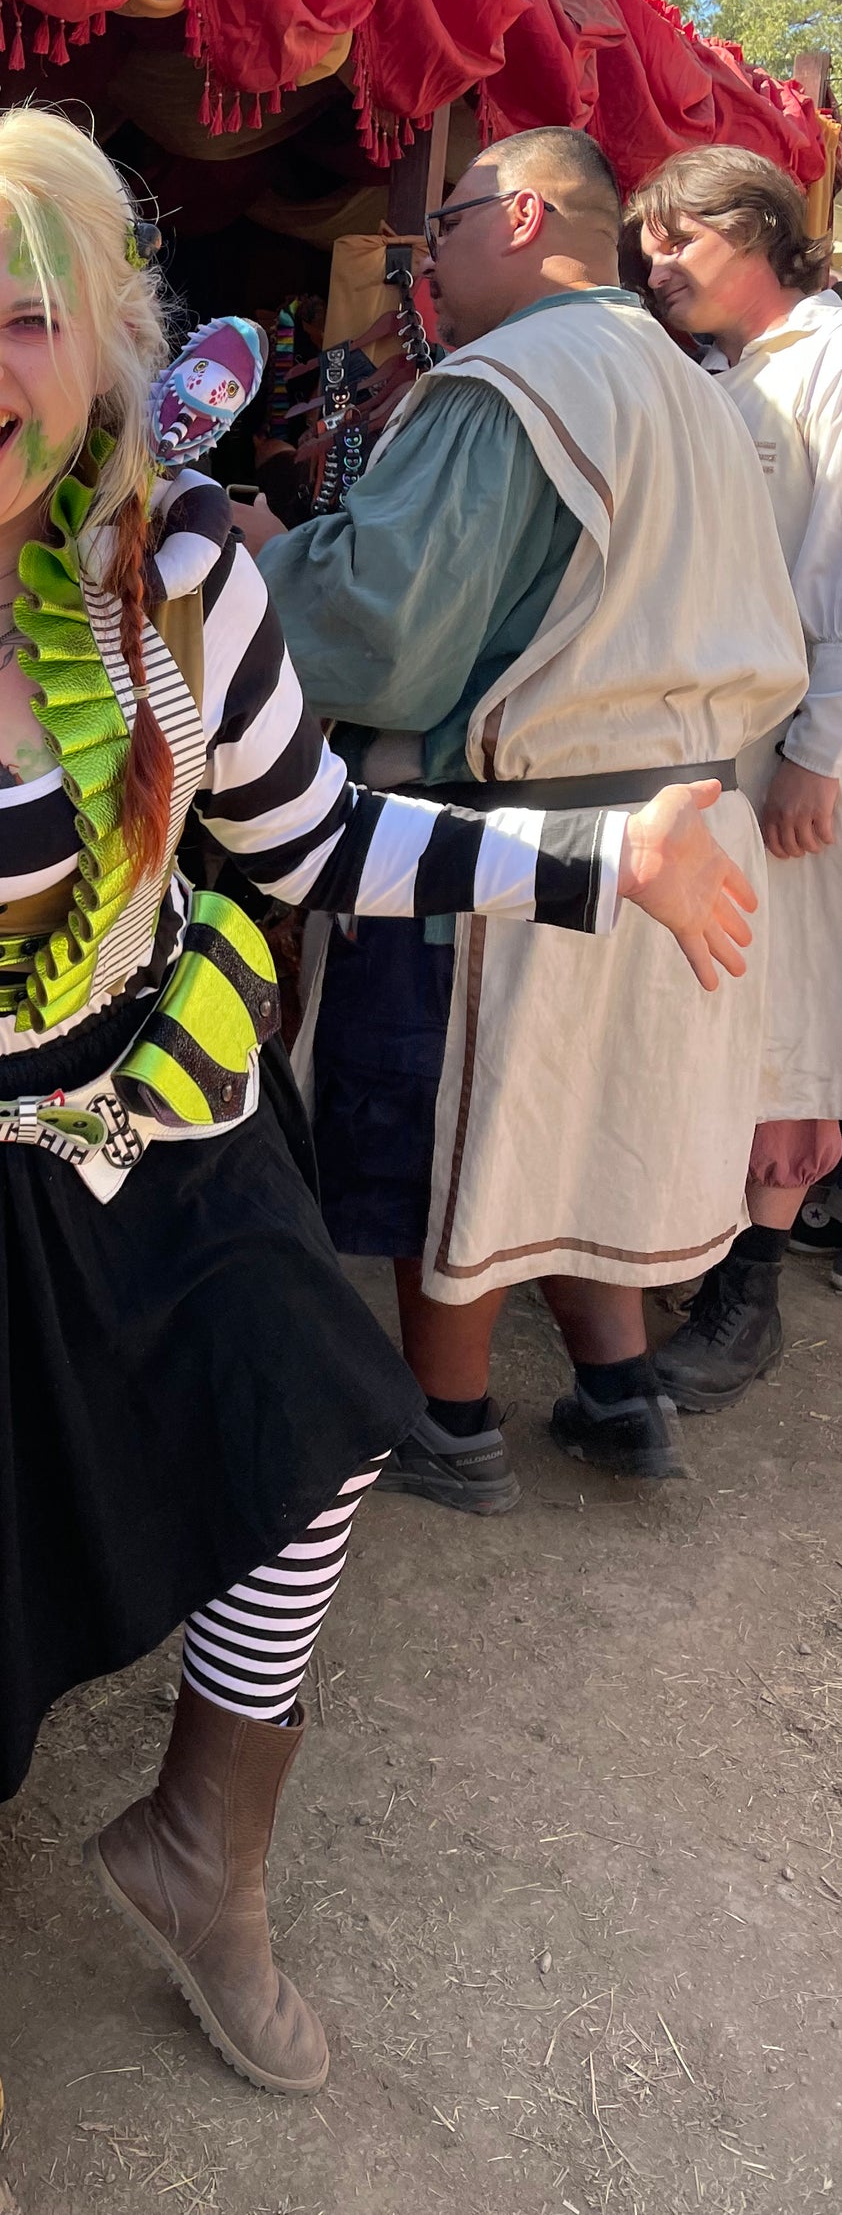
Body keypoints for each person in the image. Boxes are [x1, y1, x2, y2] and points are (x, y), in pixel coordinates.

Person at [0, 107, 756, 2117]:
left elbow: (317, 837)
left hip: (140, 1128)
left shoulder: (173, 579)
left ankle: (204, 1848)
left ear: (109, 339)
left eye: (28, 316)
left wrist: (605, 856)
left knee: (313, 1452)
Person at [253, 126, 807, 1508]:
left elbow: (383, 639)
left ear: (514, 215)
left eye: (439, 224)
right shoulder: (693, 384)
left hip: (525, 831)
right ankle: (617, 1392)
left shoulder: (512, 379)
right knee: (576, 1128)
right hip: (677, 823)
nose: (425, 255)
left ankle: (446, 1419)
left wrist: (268, 558)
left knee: (454, 1137)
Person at [629, 147, 842, 1406]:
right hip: (719, 748)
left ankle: (748, 1289)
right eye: (646, 243)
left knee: (790, 1014)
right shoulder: (715, 377)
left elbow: (840, 574)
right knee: (718, 992)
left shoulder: (831, 366)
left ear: (756, 233)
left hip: (793, 755)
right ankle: (701, 1239)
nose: (652, 266)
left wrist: (821, 752)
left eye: (676, 243)